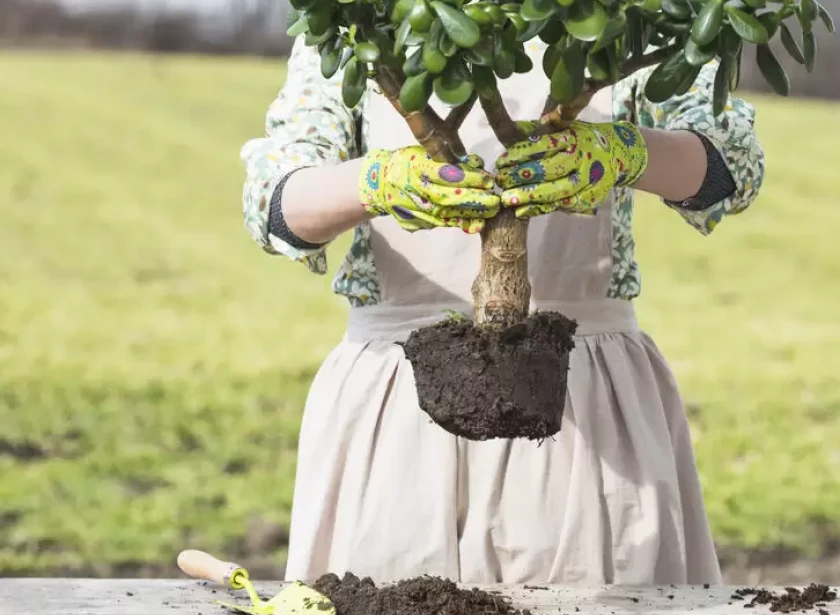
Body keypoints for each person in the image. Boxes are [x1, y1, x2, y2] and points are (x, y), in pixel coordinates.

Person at [240, 34, 765, 586]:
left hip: (585, 405)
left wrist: (623, 151)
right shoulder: (356, 23)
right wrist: (379, 181)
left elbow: (730, 166)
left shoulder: (631, 21)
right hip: (396, 410)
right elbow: (274, 203)